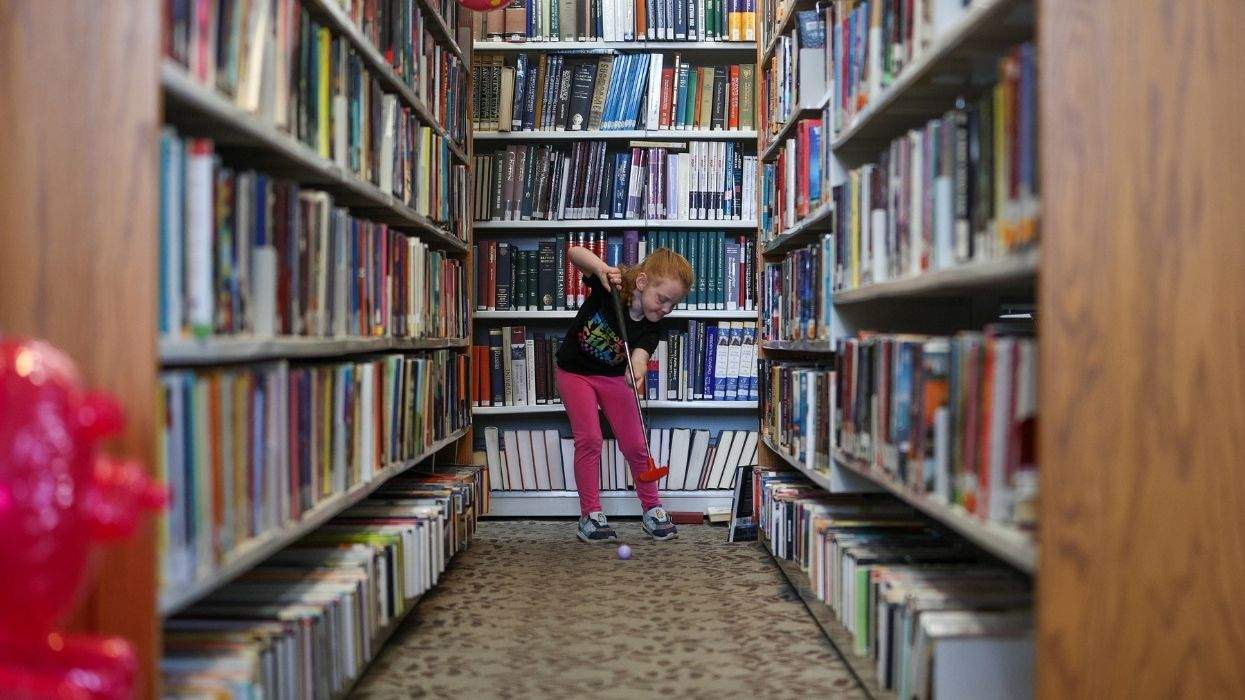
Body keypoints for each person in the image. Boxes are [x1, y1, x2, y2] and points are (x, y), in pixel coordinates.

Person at [555, 246, 693, 543]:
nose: (666, 309)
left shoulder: (653, 326)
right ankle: (590, 515)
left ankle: (652, 508)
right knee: (590, 438)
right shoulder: (611, 288)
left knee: (636, 443)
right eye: (662, 300)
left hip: (613, 378)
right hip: (575, 373)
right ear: (642, 283)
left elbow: (642, 352)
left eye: (673, 304)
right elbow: (574, 253)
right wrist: (601, 268)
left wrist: (639, 366)